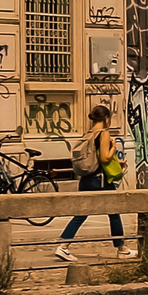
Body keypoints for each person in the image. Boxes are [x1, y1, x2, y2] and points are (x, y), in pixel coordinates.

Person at [56, 104, 131, 259]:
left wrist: (118, 162)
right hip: (100, 181)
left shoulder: (89, 133)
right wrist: (114, 147)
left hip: (86, 179)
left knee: (82, 213)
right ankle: (121, 249)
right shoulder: (103, 133)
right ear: (107, 118)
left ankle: (64, 245)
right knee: (114, 212)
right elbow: (104, 157)